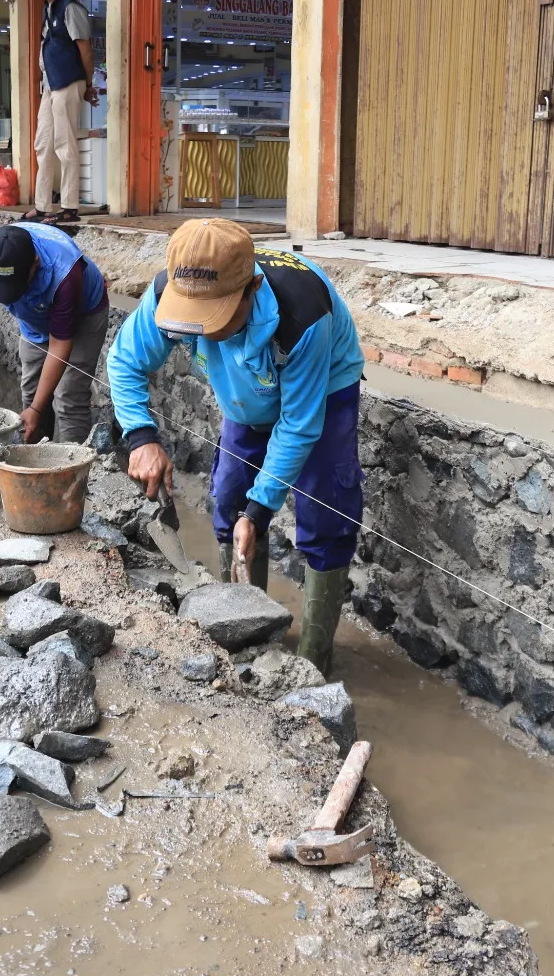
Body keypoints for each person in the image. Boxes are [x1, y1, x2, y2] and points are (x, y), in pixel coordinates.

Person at [107, 219, 366, 676]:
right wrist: (141, 438)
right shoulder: (170, 291)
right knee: (228, 498)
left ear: (252, 289)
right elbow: (125, 362)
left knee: (324, 513)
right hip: (245, 396)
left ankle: (313, 661)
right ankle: (249, 630)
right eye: (194, 318)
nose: (204, 331)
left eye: (217, 318)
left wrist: (261, 510)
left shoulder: (304, 314)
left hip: (322, 390)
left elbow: (299, 426)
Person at [0, 222, 108, 444]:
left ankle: (72, 469)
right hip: (34, 316)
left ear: (34, 265)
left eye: (13, 286)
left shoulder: (65, 274)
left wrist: (36, 409)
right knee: (31, 391)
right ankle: (34, 461)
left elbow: (60, 346)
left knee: (68, 398)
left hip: (84, 315)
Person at [24, 0, 96, 225]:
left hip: (68, 83)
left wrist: (88, 86)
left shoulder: (70, 8)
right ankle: (42, 206)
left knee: (65, 145)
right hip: (50, 85)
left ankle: (69, 206)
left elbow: (86, 51)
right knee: (43, 144)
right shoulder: (49, 9)